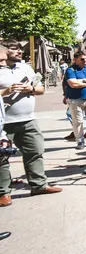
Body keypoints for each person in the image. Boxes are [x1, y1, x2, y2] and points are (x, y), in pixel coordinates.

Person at [0, 42, 63, 205]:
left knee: (35, 151)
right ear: (4, 51)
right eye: (15, 49)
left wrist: (31, 89)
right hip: (3, 122)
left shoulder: (25, 68)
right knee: (1, 157)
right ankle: (3, 192)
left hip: (28, 119)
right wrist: (5, 91)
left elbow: (40, 89)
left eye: (20, 48)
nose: (20, 51)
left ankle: (39, 185)